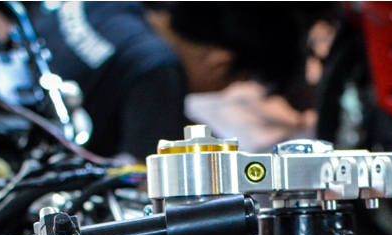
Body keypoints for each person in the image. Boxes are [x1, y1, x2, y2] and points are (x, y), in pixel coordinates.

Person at [31, 1, 306, 161]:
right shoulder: (158, 69)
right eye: (239, 82)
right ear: (220, 62)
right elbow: (143, 186)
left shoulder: (112, 6)